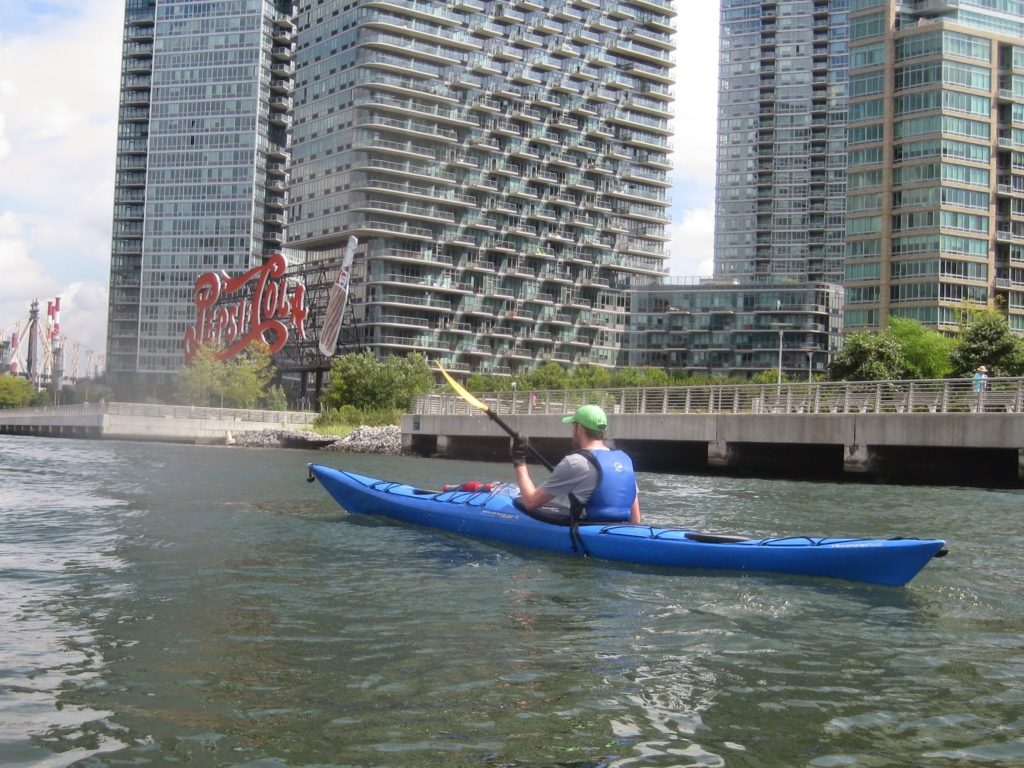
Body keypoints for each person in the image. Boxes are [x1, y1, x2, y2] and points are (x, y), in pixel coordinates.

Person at [511, 404, 641, 525]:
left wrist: (519, 460)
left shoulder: (575, 462)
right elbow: (636, 520)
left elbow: (530, 502)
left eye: (573, 426)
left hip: (587, 533)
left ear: (579, 428)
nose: (571, 430)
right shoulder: (624, 460)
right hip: (622, 531)